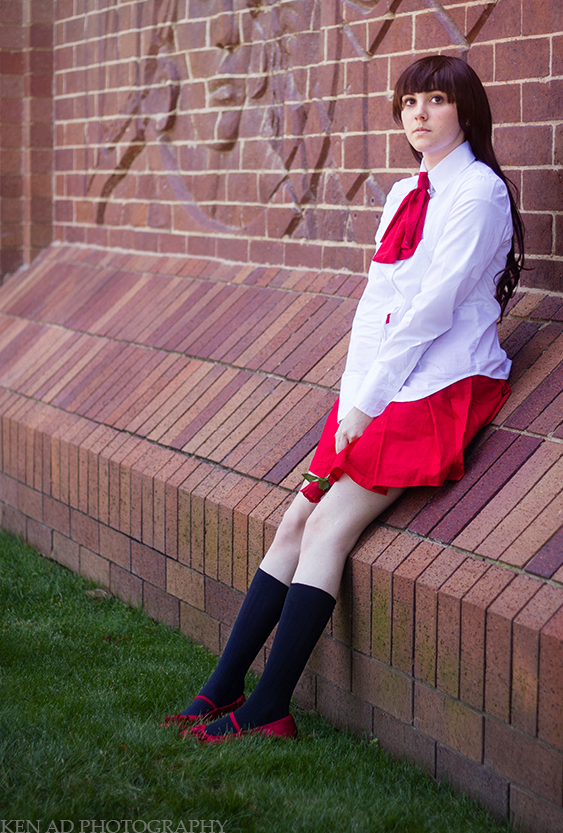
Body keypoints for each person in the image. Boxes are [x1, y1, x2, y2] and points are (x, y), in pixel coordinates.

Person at [163, 54, 525, 742]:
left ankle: (269, 709)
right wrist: (352, 397)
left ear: (467, 110)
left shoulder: (479, 192)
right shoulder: (404, 193)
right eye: (409, 102)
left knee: (328, 526)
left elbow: (435, 307)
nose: (419, 114)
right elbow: (376, 306)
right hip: (384, 384)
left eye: (436, 100)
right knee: (292, 522)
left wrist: (370, 402)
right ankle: (223, 686)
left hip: (441, 384)